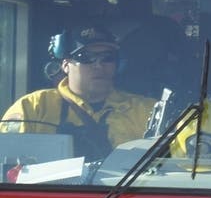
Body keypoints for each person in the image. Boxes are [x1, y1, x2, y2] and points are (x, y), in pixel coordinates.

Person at [0, 24, 156, 159]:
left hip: (124, 193)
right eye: (85, 57)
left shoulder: (149, 110)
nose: (99, 65)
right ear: (65, 65)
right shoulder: (33, 107)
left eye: (107, 57)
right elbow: (6, 164)